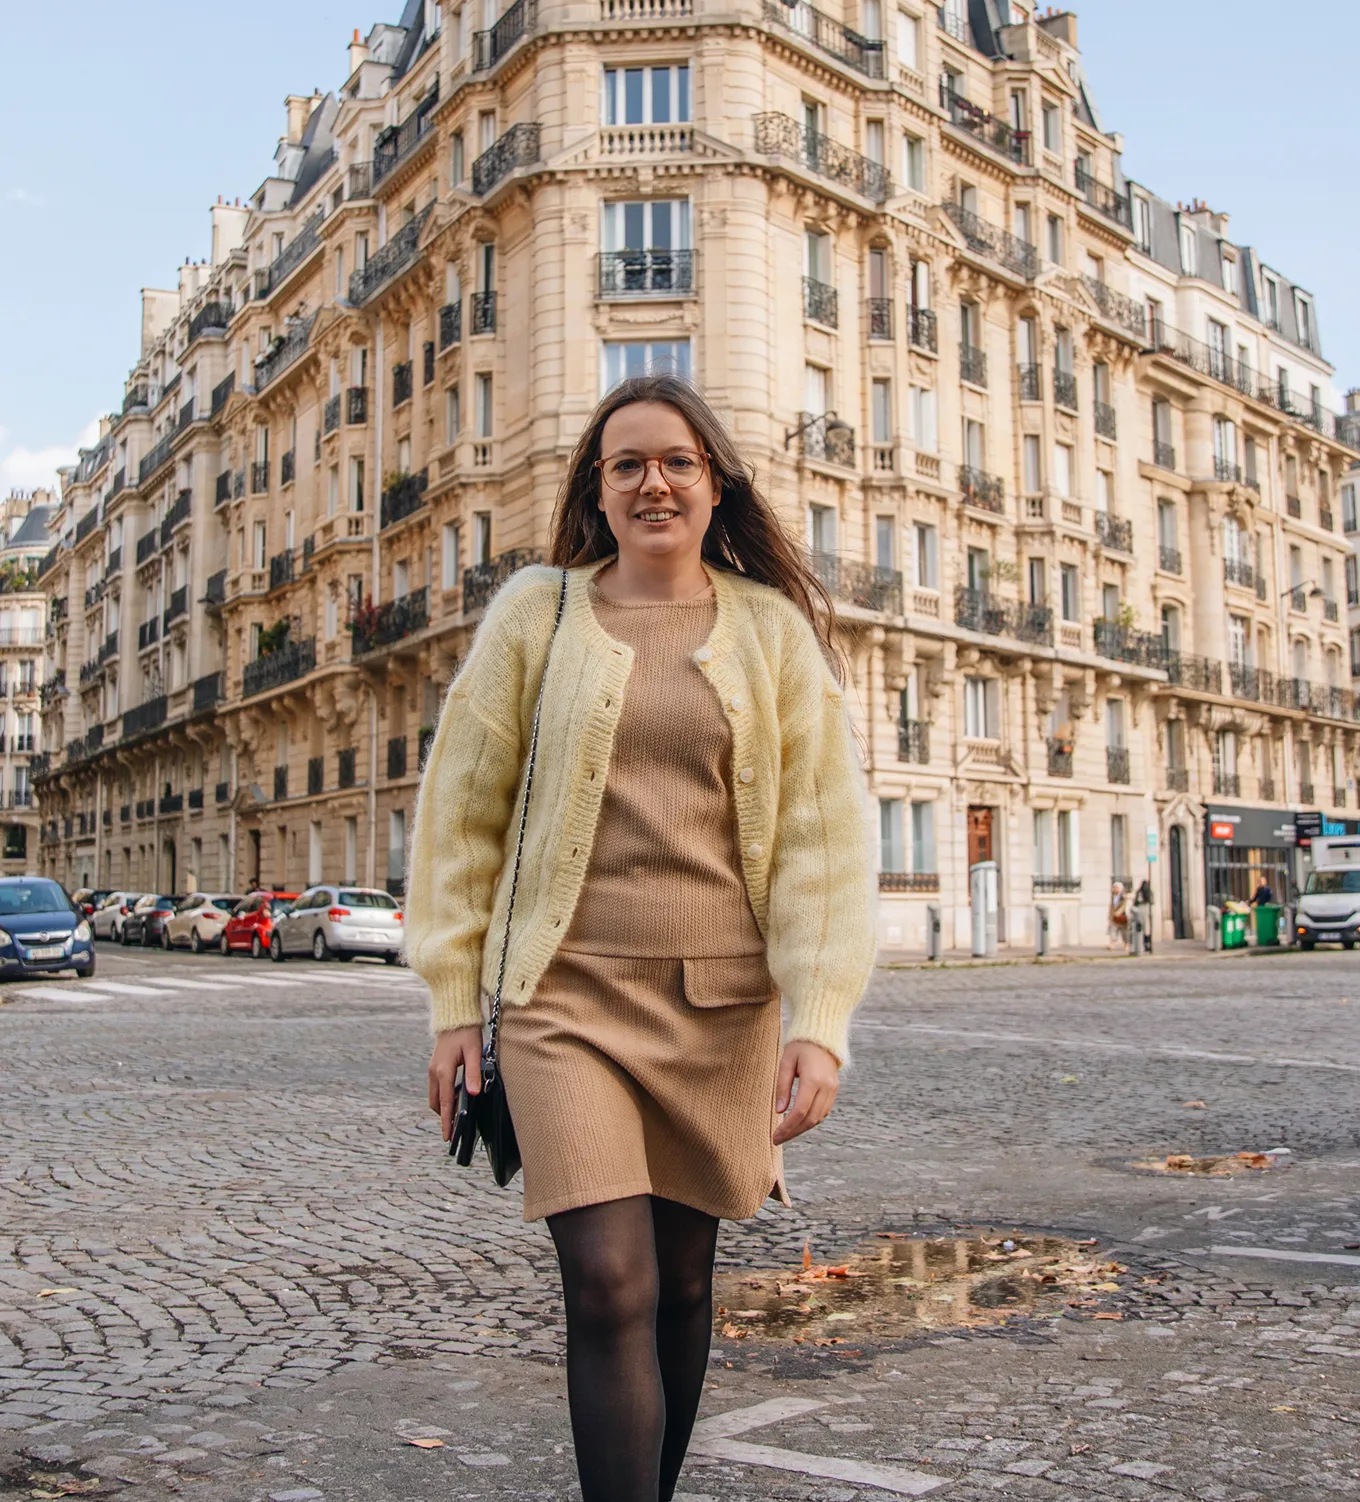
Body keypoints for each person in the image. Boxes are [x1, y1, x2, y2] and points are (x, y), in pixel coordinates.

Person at [407, 374, 876, 1502]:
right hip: (564, 1002)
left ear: (715, 484)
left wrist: (818, 1018)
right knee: (608, 1283)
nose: (653, 480)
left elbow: (822, 833)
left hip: (719, 1009)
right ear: (598, 491)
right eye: (627, 464)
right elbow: (461, 811)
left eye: (676, 460)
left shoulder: (769, 631)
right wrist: (454, 1000)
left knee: (678, 1286)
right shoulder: (540, 610)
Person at [1108, 880, 1130, 950]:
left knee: (1124, 932)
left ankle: (1126, 944)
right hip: (1114, 917)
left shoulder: (1124, 896)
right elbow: (1111, 906)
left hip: (1122, 916)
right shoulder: (1113, 896)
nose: (1114, 889)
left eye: (1116, 888)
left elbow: (1124, 905)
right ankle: (1112, 944)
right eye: (1114, 887)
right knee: (1113, 930)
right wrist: (1110, 915)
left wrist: (1118, 912)